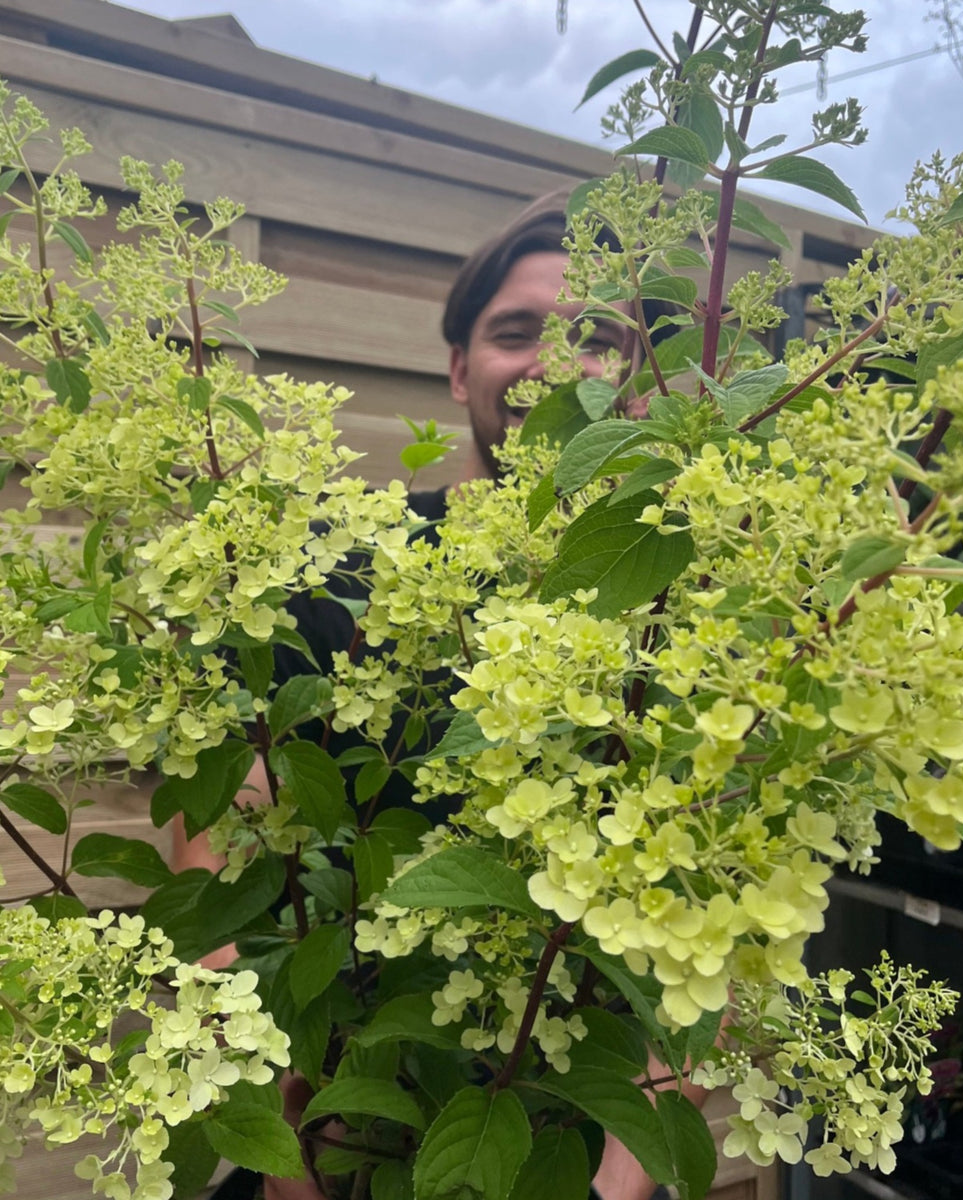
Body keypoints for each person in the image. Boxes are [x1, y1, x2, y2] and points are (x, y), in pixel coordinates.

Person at [178, 192, 704, 1200]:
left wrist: (617, 1180)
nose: (557, 364)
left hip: (559, 1156)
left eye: (598, 340)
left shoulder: (674, 607)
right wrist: (281, 1147)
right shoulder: (340, 572)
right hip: (331, 1154)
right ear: (461, 366)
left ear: (642, 381)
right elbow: (216, 847)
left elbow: (708, 925)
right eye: (518, 332)